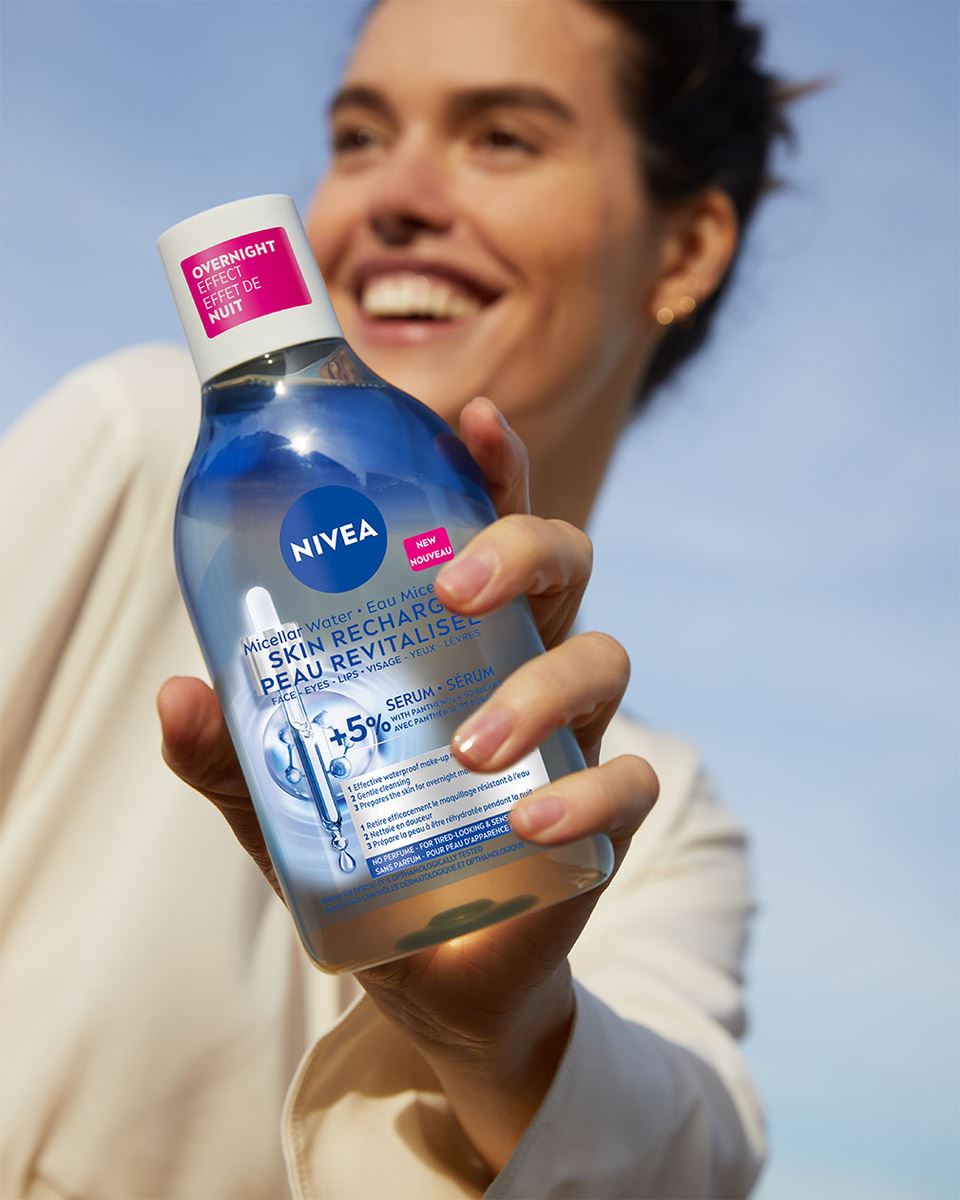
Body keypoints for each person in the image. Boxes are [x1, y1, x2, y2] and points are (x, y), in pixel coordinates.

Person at [0, 1, 800, 1196]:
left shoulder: (656, 810)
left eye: (503, 138)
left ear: (683, 249)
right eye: (361, 135)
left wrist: (505, 1033)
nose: (393, 197)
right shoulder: (143, 454)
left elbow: (696, 1154)